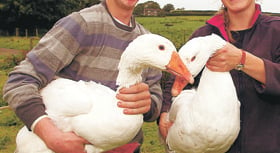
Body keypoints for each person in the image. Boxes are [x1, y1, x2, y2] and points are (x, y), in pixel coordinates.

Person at [3, 0, 163, 153]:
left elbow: (155, 103)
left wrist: (147, 103)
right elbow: (20, 80)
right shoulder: (81, 25)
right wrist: (51, 135)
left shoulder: (148, 42)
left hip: (127, 148)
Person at [158, 0, 280, 153]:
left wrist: (243, 60)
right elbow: (176, 81)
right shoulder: (203, 36)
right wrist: (165, 113)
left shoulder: (276, 30)